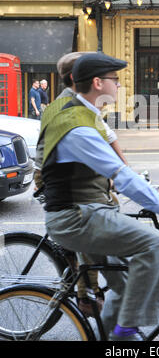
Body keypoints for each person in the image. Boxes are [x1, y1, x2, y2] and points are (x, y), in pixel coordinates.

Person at [41, 52, 159, 342]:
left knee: (122, 283)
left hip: (84, 210)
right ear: (96, 83)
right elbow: (122, 175)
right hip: (77, 217)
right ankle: (126, 333)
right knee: (154, 244)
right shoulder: (78, 126)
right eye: (114, 80)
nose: (119, 86)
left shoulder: (74, 109)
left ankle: (112, 338)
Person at [34, 51, 127, 318]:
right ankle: (87, 296)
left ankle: (83, 285)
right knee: (90, 236)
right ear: (80, 78)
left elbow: (107, 137)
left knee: (98, 223)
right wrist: (120, 174)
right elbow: (104, 142)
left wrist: (117, 174)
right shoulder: (72, 106)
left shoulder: (75, 101)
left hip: (63, 177)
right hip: (67, 185)